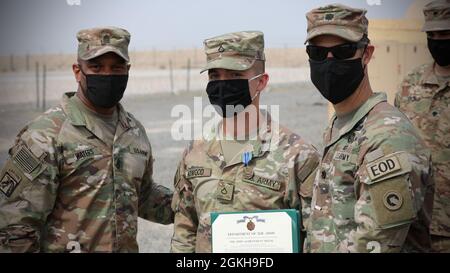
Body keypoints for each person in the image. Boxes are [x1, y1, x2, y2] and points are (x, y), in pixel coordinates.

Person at [0, 27, 173, 253]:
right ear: (77, 71)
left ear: (128, 70)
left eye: (116, 67)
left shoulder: (134, 131)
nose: (108, 75)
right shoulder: (45, 135)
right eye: (96, 67)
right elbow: (16, 226)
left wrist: (200, 201)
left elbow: (143, 195)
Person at [170, 31, 320, 252]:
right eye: (214, 76)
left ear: (261, 82)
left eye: (234, 76)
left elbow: (316, 238)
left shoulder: (298, 155)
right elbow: (185, 230)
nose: (222, 84)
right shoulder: (195, 152)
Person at [303, 4, 434, 252]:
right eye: (317, 53)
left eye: (343, 51)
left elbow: (374, 244)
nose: (329, 62)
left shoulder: (388, 138)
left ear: (366, 54)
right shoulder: (343, 126)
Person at [395, 0, 450, 253]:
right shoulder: (410, 85)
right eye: (432, 35)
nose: (438, 41)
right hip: (415, 225)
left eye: (445, 34)